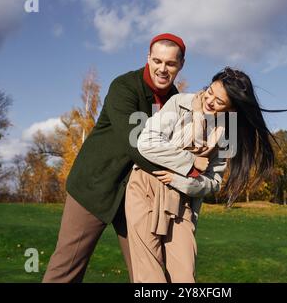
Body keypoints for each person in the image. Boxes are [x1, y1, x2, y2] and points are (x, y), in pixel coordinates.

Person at [42, 33, 187, 283]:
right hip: (94, 187)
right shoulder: (124, 87)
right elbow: (136, 144)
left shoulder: (178, 101)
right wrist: (187, 171)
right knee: (65, 270)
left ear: (180, 65)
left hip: (138, 196)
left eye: (170, 63)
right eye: (157, 61)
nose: (162, 69)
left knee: (150, 273)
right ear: (148, 59)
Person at [125, 67, 277, 283]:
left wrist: (182, 180)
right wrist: (191, 162)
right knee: (150, 277)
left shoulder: (228, 131)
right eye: (211, 91)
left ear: (232, 109)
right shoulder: (179, 104)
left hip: (182, 202)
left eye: (220, 101)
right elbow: (146, 142)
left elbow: (214, 183)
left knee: (185, 277)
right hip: (146, 187)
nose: (210, 100)